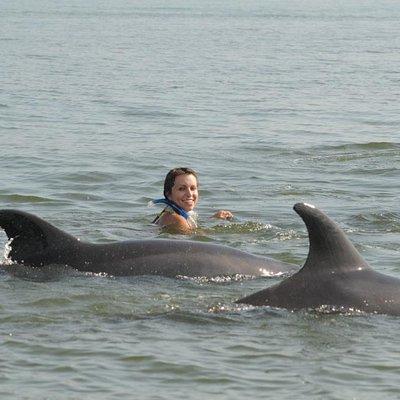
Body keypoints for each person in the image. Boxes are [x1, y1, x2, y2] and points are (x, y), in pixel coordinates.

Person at [151, 167, 233, 234]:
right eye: (182, 189)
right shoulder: (176, 219)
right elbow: (195, 238)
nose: (189, 194)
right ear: (169, 194)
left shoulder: (170, 212)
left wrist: (214, 219)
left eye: (193, 188)